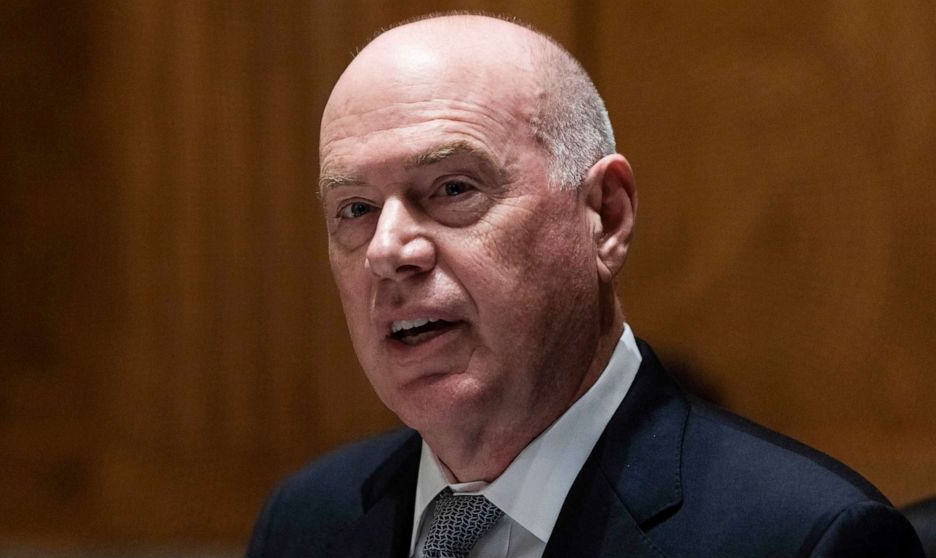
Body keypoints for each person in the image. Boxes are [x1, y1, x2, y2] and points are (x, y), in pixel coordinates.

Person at [246, 13, 923, 558]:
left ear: (606, 217)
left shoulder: (807, 538)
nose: (389, 250)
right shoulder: (306, 520)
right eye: (355, 210)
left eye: (453, 188)